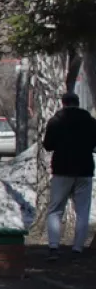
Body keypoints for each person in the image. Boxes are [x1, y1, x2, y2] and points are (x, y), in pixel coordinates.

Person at [43, 93, 96, 259]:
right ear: (78, 103)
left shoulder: (56, 121)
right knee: (82, 210)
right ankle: (78, 247)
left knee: (55, 209)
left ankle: (53, 247)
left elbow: (48, 145)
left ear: (63, 103)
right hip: (85, 170)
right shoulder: (90, 121)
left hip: (62, 170)